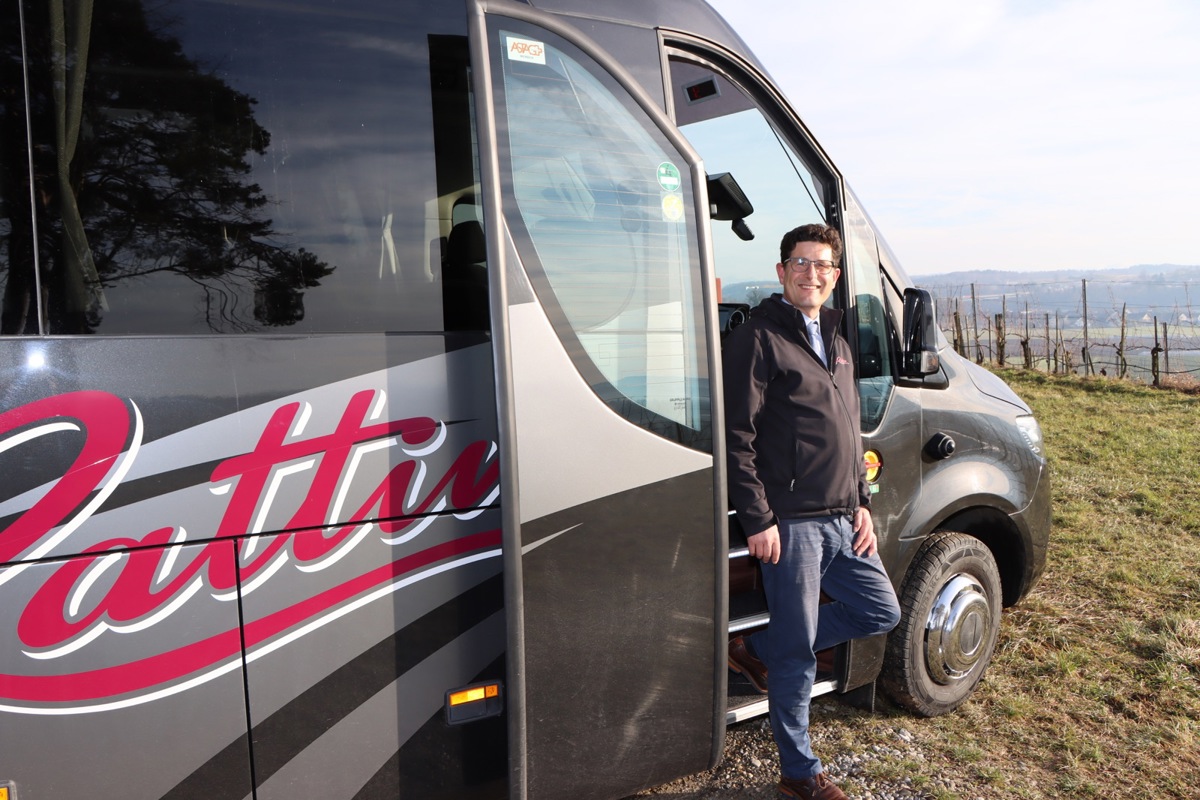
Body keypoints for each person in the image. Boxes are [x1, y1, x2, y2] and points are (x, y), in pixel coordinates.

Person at [723, 223, 902, 800]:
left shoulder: (838, 340)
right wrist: (758, 519)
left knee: (881, 609)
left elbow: (850, 430)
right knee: (801, 657)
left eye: (822, 265)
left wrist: (863, 503)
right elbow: (736, 437)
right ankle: (799, 774)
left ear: (835, 276)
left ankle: (762, 650)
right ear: (781, 272)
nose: (811, 273)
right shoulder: (758, 337)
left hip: (844, 518)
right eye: (800, 263)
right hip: (792, 524)